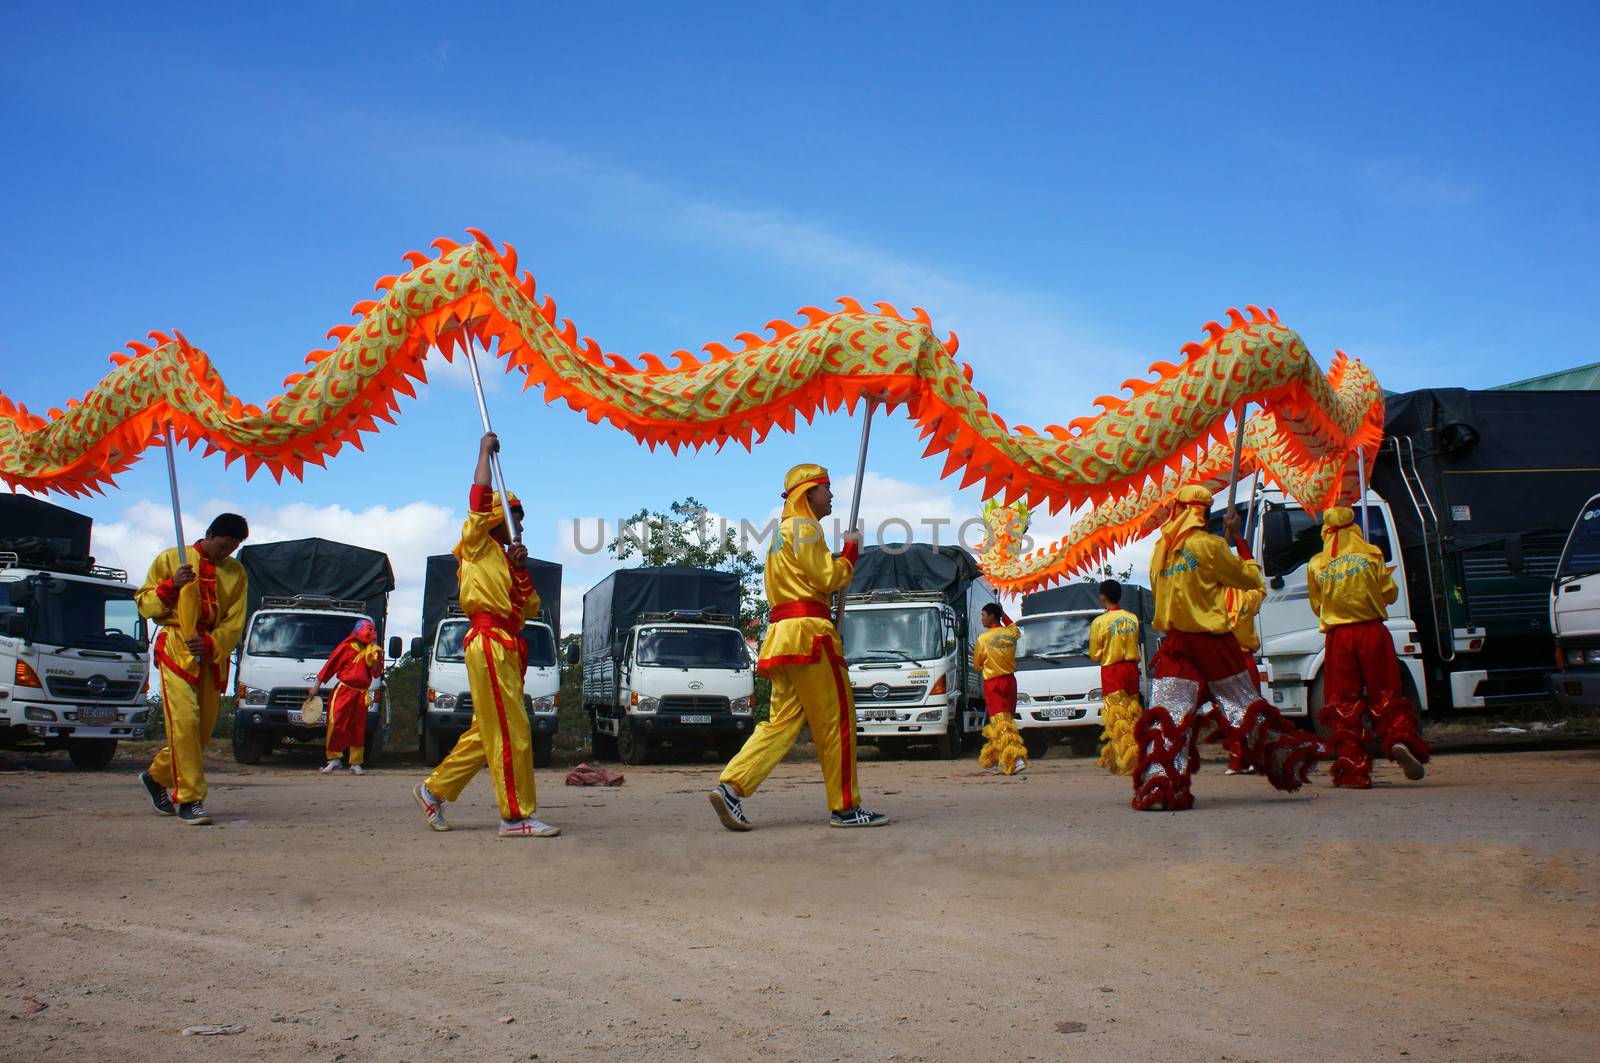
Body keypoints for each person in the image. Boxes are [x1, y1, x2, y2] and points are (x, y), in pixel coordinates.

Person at [710, 463, 890, 830]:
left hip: (783, 635)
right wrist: (851, 552)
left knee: (782, 722)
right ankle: (845, 808)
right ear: (807, 492)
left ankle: (731, 787)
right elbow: (826, 577)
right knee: (836, 720)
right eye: (826, 487)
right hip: (811, 634)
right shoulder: (806, 528)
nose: (832, 494)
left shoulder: (780, 534)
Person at [1135, 485, 1324, 811]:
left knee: (1170, 716)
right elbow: (1250, 580)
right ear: (1204, 514)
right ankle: (1291, 760)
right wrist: (1238, 542)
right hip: (1213, 643)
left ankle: (1161, 788)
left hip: (1175, 642)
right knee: (1243, 708)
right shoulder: (1208, 546)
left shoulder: (1160, 550)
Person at [412, 433, 559, 838]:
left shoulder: (508, 561)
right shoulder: (475, 546)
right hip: (489, 642)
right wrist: (482, 454)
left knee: (488, 731)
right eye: (513, 517)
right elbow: (477, 501)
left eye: (522, 520)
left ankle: (433, 790)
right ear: (497, 517)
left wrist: (522, 569)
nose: (519, 526)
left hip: (509, 645)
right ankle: (515, 817)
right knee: (513, 730)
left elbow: (529, 608)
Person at [135, 514, 250, 826]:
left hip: (212, 654)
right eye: (223, 546)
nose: (225, 553)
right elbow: (145, 605)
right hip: (177, 646)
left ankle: (156, 776)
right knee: (185, 722)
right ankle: (190, 799)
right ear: (210, 534)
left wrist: (212, 644)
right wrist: (172, 585)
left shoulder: (237, 572)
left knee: (199, 734)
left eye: (232, 548)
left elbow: (236, 619)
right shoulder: (172, 559)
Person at [1309, 506, 1429, 787]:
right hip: (1372, 632)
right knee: (1386, 691)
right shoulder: (1371, 553)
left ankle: (1353, 768)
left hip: (1339, 637)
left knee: (1342, 702)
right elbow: (1389, 593)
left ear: (1326, 530)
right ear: (1354, 526)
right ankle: (1400, 740)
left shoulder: (1317, 563)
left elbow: (1317, 606)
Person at [1088, 579, 1142, 776]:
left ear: (1102, 597)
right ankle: (1129, 757)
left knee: (1117, 717)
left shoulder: (1100, 622)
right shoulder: (1132, 618)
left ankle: (1127, 761)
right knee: (1133, 715)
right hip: (1131, 670)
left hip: (1112, 671)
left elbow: (1095, 654)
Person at [316, 618, 382, 775]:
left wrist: (373, 658)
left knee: (358, 727)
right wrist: (316, 686)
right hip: (344, 690)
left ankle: (356, 762)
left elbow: (376, 673)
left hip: (361, 694)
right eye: (369, 630)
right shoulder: (346, 647)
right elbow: (330, 666)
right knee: (336, 722)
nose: (371, 633)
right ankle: (334, 759)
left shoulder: (374, 650)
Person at [974, 602, 1026, 775]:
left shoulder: (983, 638)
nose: (982, 618)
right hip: (1010, 681)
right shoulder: (1011, 633)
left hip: (993, 683)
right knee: (1003, 721)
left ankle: (1015, 759)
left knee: (1000, 722)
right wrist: (1003, 613)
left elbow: (976, 664)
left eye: (983, 614)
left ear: (991, 616)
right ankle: (992, 762)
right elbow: (1015, 628)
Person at [1220, 583, 1265, 775]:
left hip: (1226, 661)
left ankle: (1237, 760)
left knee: (1230, 711)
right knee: (1250, 710)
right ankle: (1252, 759)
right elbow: (1261, 588)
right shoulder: (1251, 595)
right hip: (1243, 660)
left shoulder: (1215, 597)